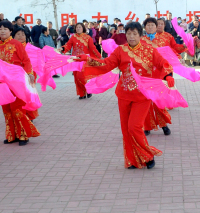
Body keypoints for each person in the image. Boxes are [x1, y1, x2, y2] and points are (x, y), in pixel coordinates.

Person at [80, 21, 174, 169]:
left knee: (134, 127)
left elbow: (163, 63)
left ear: (140, 35)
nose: (131, 37)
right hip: (123, 94)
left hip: (143, 96)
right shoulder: (120, 51)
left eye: (134, 34)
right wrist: (88, 60)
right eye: (128, 33)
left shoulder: (150, 51)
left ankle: (148, 156)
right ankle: (132, 160)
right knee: (126, 129)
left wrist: (168, 76)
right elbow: (106, 64)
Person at [0, 21, 40, 146]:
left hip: (17, 81)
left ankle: (23, 135)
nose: (2, 31)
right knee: (6, 110)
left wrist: (29, 73)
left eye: (5, 29)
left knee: (17, 109)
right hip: (2, 82)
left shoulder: (17, 44)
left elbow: (26, 61)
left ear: (10, 31)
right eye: (0, 29)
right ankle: (11, 135)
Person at [143, 18, 184, 135]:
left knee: (158, 101)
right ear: (145, 27)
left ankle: (164, 124)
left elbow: (169, 57)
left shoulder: (164, 39)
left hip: (160, 74)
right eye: (148, 25)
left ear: (157, 27)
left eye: (152, 25)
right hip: (146, 76)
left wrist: (168, 75)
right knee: (146, 102)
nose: (150, 27)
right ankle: (147, 127)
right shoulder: (140, 40)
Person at [62, 23, 101, 99]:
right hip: (75, 59)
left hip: (84, 60)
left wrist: (100, 56)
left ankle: (88, 90)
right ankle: (82, 94)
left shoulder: (88, 38)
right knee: (76, 77)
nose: (78, 28)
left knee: (81, 77)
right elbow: (68, 46)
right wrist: (62, 48)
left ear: (83, 28)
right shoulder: (73, 37)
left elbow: (93, 48)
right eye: (77, 27)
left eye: (80, 27)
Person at [12, 25, 39, 121]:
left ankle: (30, 114)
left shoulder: (31, 48)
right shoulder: (10, 48)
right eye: (18, 34)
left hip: (29, 74)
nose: (20, 36)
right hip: (15, 75)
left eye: (22, 34)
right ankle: (19, 113)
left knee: (28, 94)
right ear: (13, 36)